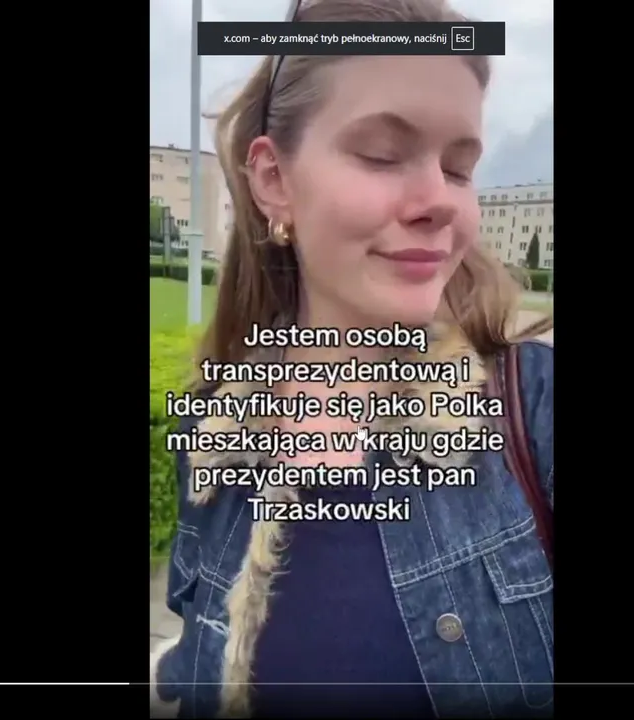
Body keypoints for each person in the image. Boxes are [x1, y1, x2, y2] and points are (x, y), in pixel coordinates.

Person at [150, 0, 555, 717]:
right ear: (274, 180)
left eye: (459, 168)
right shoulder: (211, 434)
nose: (438, 201)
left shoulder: (534, 410)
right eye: (382, 154)